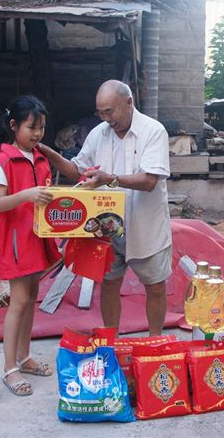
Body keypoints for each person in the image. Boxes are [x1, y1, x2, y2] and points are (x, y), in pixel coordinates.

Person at [38, 80, 172, 336]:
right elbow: (77, 170)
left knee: (155, 286)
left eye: (109, 111)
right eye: (100, 112)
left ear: (128, 102)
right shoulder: (99, 133)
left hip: (146, 227)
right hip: (107, 228)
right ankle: (111, 342)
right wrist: (47, 152)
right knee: (109, 285)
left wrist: (110, 178)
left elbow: (149, 181)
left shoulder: (153, 131)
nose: (105, 118)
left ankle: (155, 341)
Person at [0, 95, 61, 396]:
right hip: (18, 241)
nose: (37, 134)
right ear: (13, 125)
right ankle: (10, 368)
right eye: (31, 127)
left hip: (38, 237)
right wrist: (29, 194)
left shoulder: (41, 158)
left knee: (31, 298)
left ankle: (25, 356)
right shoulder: (2, 161)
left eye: (42, 127)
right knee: (18, 301)